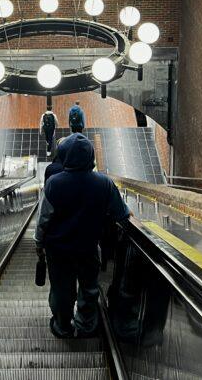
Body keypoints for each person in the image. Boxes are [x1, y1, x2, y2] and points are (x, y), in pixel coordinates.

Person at [35, 134, 130, 338]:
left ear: (64, 155)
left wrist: (38, 243)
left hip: (58, 251)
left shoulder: (53, 183)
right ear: (91, 156)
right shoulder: (104, 183)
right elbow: (121, 213)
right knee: (89, 288)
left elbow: (43, 218)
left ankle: (63, 326)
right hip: (88, 247)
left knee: (61, 290)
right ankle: (86, 325)